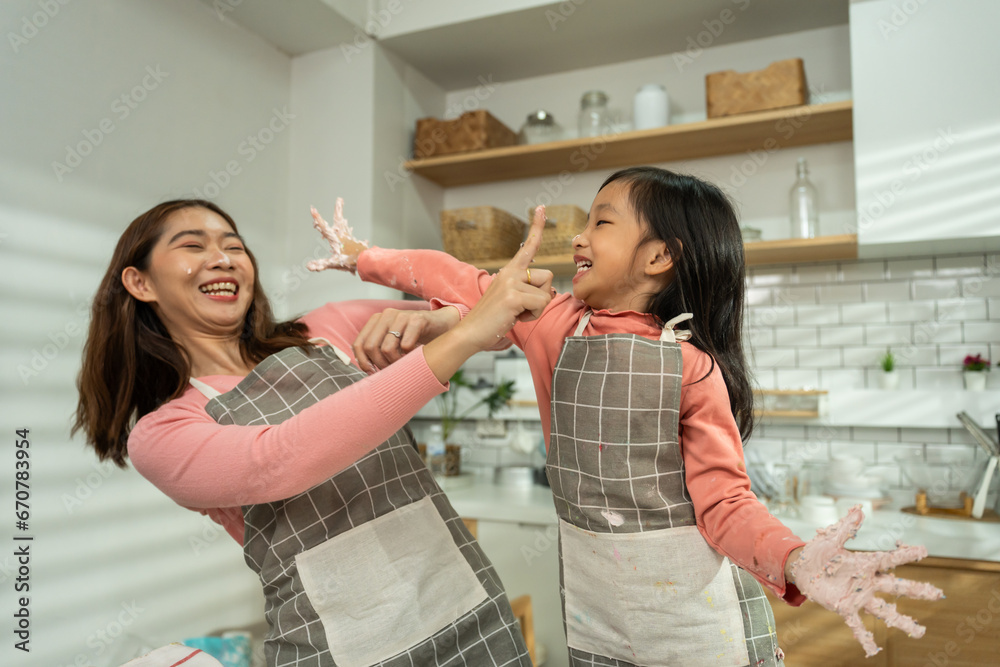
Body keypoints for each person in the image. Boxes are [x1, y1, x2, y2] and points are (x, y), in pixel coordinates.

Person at [314, 167, 944, 667]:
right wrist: (363, 255)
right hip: (598, 617)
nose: (579, 238)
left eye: (602, 222)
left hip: (695, 632)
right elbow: (454, 277)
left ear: (658, 258)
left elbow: (726, 505)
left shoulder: (693, 368)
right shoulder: (552, 323)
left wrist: (797, 558)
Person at [72, 198, 551, 667]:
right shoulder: (163, 433)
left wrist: (436, 319)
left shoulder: (326, 330)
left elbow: (516, 315)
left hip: (466, 609)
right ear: (139, 281)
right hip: (338, 649)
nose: (222, 259)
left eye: (234, 247)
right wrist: (462, 337)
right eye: (193, 246)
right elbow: (281, 458)